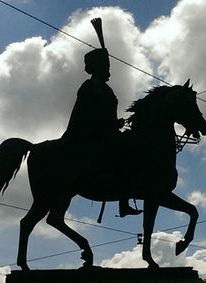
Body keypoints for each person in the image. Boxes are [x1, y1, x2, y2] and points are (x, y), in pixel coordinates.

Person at [61, 45, 141, 218]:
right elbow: (90, 116)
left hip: (106, 132)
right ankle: (123, 202)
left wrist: (115, 123)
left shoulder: (104, 88)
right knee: (125, 154)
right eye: (106, 67)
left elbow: (106, 115)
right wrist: (113, 125)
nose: (108, 71)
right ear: (97, 68)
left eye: (108, 67)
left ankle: (124, 199)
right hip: (90, 135)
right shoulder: (89, 87)